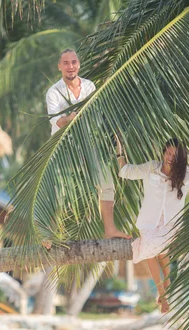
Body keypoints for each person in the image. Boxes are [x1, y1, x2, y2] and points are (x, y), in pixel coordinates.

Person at [46, 49, 130, 240]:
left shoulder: (89, 86)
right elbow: (57, 122)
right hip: (63, 146)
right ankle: (53, 235)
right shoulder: (53, 92)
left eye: (73, 62)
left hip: (88, 142)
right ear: (60, 66)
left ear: (79, 64)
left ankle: (110, 229)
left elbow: (95, 116)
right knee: (60, 189)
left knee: (107, 183)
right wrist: (71, 118)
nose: (70, 66)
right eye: (66, 63)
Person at [116, 138, 189, 313]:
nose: (170, 157)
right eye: (168, 153)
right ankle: (163, 294)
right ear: (163, 152)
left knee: (161, 256)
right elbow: (125, 171)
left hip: (171, 224)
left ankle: (166, 290)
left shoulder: (186, 174)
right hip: (149, 221)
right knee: (151, 251)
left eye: (174, 155)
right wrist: (120, 152)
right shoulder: (151, 168)